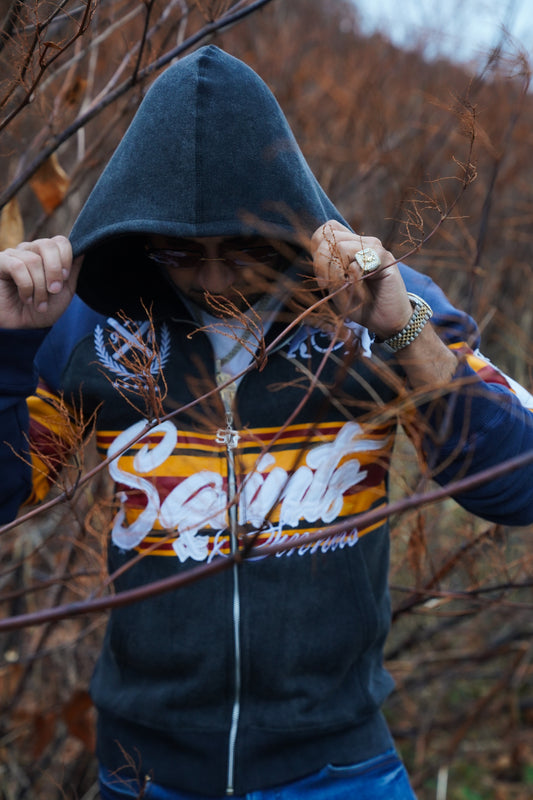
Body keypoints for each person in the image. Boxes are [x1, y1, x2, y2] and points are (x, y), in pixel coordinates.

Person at [1, 46, 532, 800]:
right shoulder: (86, 323)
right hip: (145, 770)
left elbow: (516, 485)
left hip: (339, 767)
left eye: (244, 249)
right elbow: (9, 495)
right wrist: (7, 352)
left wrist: (403, 332)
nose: (214, 276)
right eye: (181, 251)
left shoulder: (384, 304)